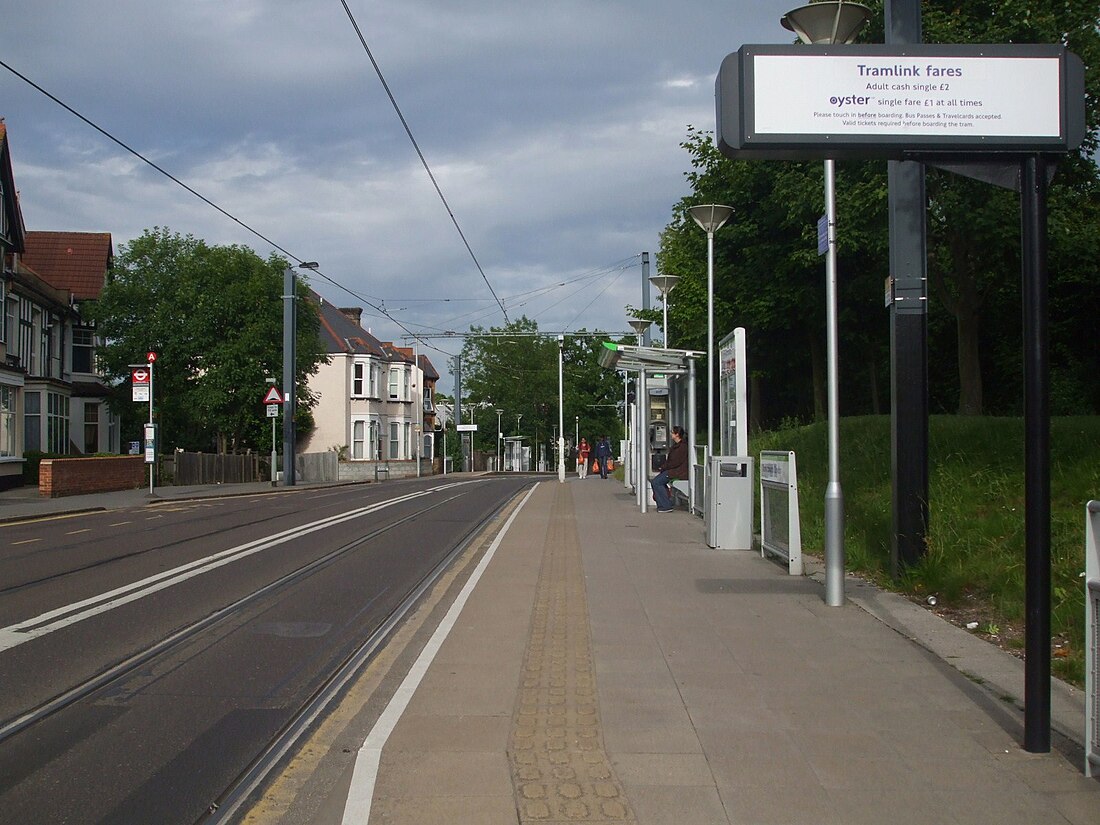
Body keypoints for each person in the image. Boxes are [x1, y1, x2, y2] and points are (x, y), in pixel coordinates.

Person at [651, 425, 687, 512]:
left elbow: (674, 462)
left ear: (677, 434)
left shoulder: (681, 447)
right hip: (674, 470)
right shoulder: (677, 446)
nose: (670, 434)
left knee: (656, 482)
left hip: (677, 471)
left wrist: (663, 467)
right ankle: (665, 503)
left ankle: (665, 505)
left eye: (672, 433)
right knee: (657, 481)